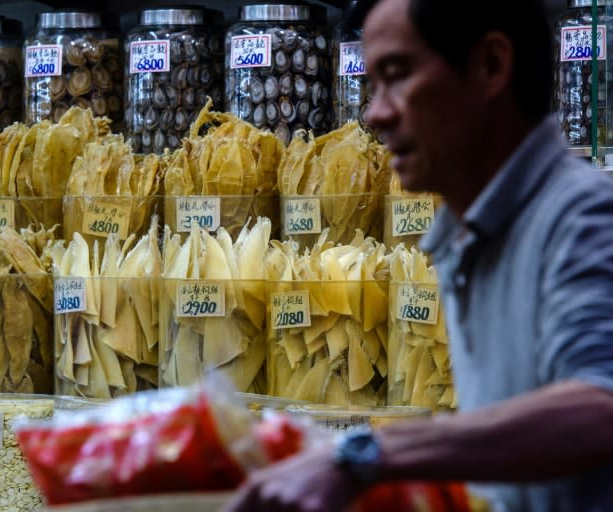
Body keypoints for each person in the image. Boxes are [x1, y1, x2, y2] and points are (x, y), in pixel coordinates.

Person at [222, 0, 613, 510]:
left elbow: (601, 407)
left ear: (490, 66)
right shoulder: (467, 231)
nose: (374, 112)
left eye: (398, 75)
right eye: (373, 82)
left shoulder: (581, 218)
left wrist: (366, 453)